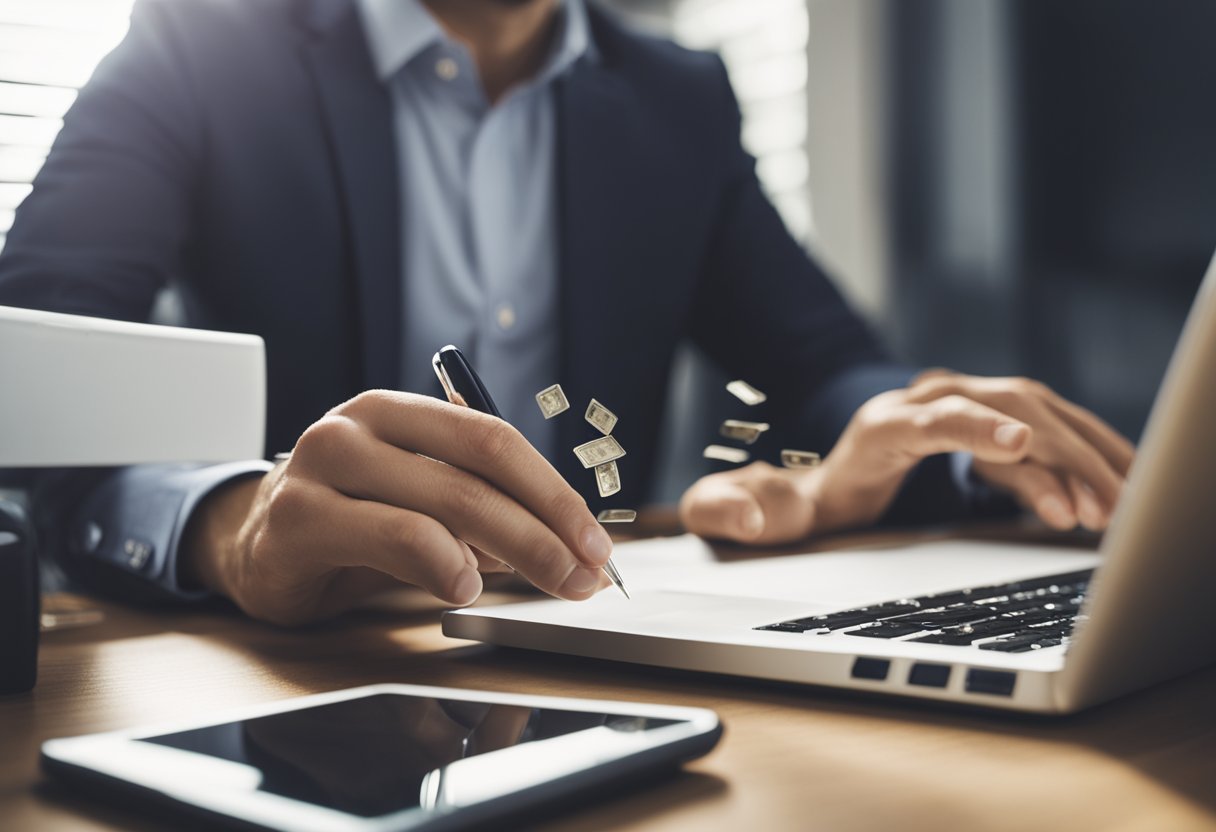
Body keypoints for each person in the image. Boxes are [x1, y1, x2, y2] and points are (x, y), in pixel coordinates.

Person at [0, 0, 1133, 626]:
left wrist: (935, 434)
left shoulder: (675, 98)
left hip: (595, 657)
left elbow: (823, 363)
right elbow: (30, 388)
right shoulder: (198, 45)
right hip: (299, 681)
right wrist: (234, 524)